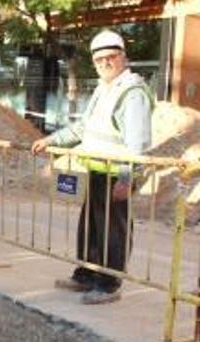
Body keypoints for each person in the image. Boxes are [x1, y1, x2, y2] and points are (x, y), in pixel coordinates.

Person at [31, 30, 153, 305]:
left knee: (113, 230)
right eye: (99, 59)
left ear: (123, 57)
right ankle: (86, 273)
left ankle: (109, 283)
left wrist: (127, 179)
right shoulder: (104, 88)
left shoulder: (132, 93)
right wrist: (52, 139)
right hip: (97, 171)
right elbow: (84, 126)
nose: (105, 63)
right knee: (91, 227)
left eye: (111, 57)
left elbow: (137, 145)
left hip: (115, 175)